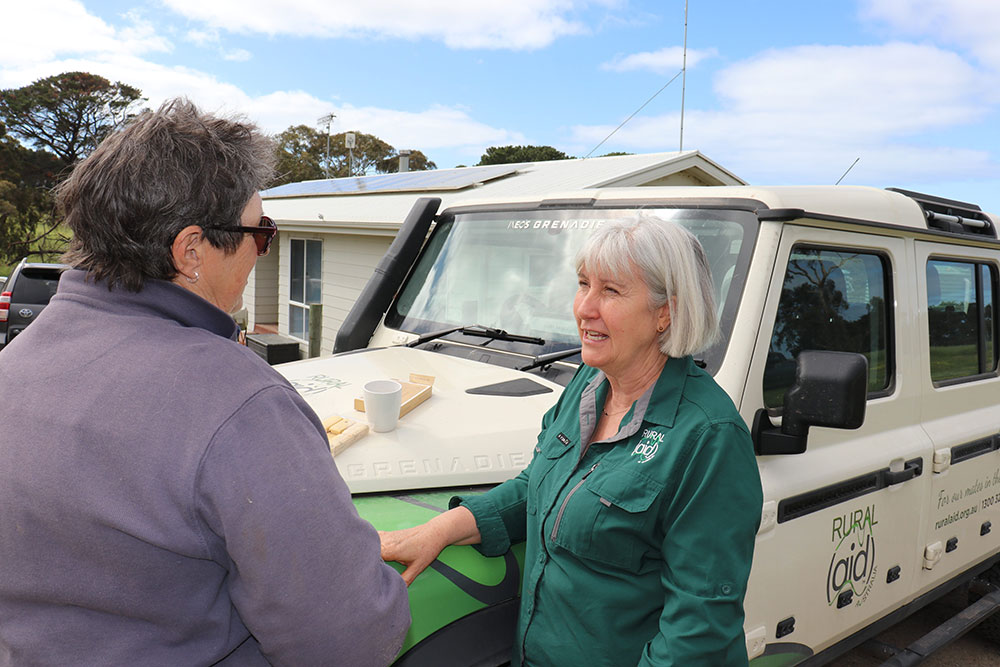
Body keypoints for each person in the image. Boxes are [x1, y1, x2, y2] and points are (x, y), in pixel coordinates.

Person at [0, 99, 410, 666]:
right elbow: (347, 640)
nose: (261, 253)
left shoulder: (15, 363)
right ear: (191, 250)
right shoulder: (241, 401)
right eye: (259, 233)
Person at [380, 215, 763, 666]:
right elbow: (538, 489)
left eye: (612, 291)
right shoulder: (588, 384)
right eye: (583, 284)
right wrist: (439, 530)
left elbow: (699, 634)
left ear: (666, 312)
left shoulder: (708, 438)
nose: (584, 307)